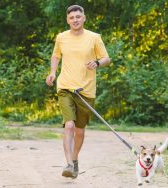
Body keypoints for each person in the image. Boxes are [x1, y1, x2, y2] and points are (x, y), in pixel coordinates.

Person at [46, 5, 111, 178]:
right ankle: (68, 163)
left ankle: (74, 160)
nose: (75, 20)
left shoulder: (94, 38)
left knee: (80, 131)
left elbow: (107, 59)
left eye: (78, 16)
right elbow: (56, 56)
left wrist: (97, 63)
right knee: (69, 125)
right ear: (68, 20)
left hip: (86, 90)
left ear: (84, 18)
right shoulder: (61, 37)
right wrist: (52, 72)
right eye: (72, 17)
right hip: (66, 87)